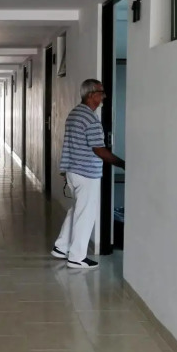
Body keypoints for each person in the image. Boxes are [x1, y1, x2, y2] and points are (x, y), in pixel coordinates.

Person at [51, 79, 125, 269]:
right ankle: (77, 257)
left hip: (73, 171)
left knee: (77, 209)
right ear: (91, 95)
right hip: (86, 173)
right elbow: (99, 150)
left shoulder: (75, 113)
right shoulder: (90, 119)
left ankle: (61, 247)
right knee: (85, 214)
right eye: (101, 92)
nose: (104, 96)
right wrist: (122, 164)